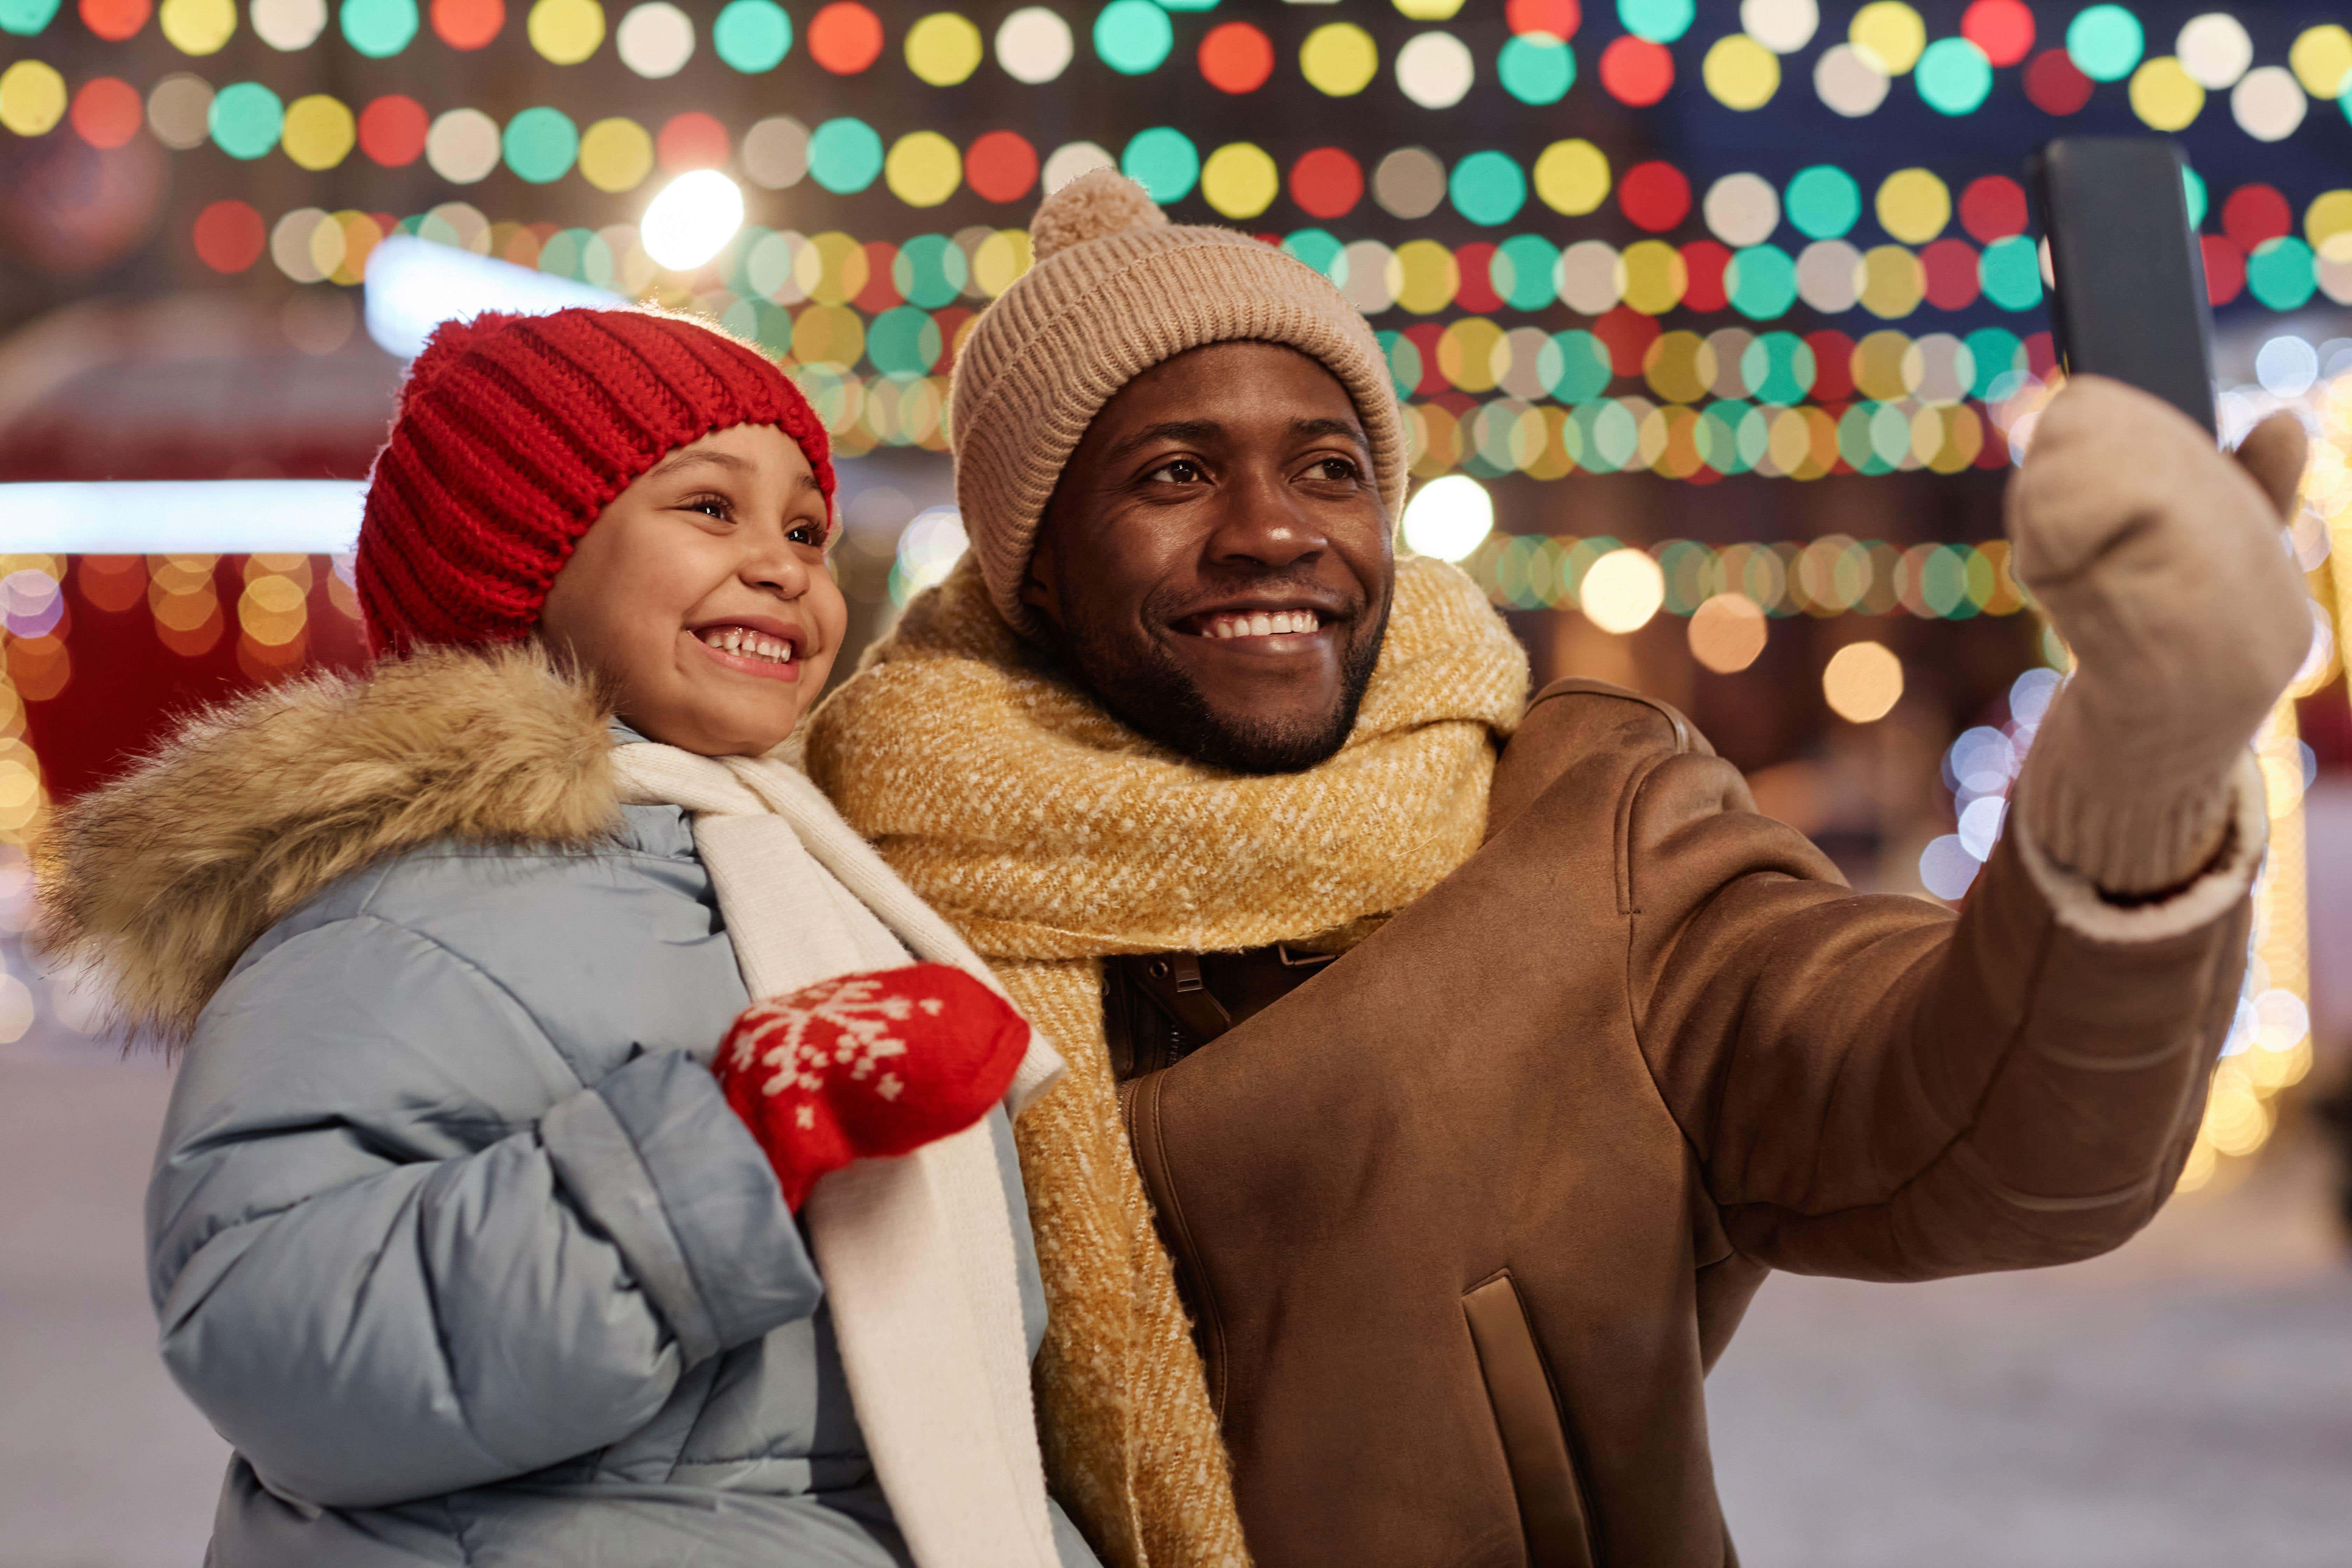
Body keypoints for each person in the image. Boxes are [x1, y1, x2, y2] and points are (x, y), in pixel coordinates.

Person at [804, 172, 2313, 1568]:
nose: (1273, 530)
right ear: (1035, 562)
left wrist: (2139, 776)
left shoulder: (1587, 833)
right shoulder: (847, 880)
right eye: (1178, 472)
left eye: (1329, 469)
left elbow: (1991, 1133)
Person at [39, 307, 1100, 1568]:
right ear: (524, 559)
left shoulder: (813, 879)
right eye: (711, 508)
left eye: (806, 528)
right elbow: (272, 1326)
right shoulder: (410, 907)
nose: (783, 566)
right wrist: (712, 1158)